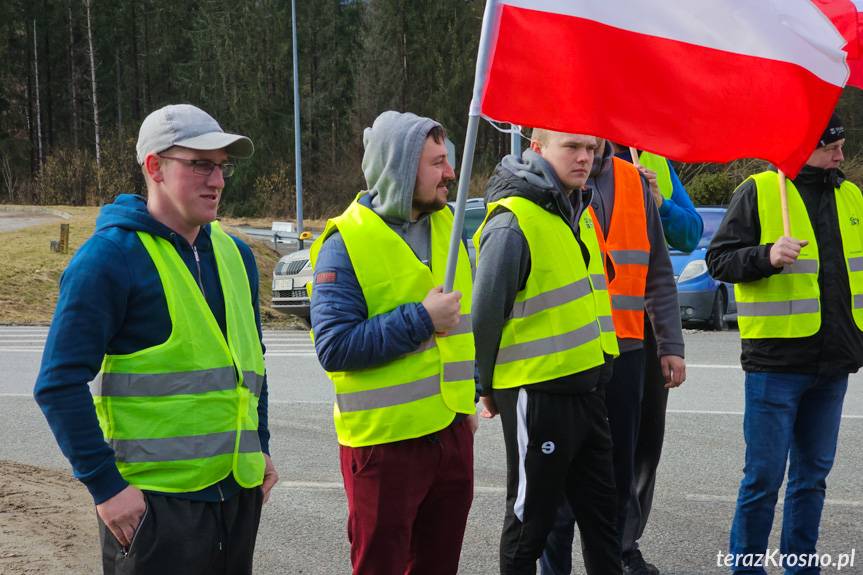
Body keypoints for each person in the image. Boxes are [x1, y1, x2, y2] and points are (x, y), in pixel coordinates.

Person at [33, 103, 279, 575]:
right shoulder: (109, 259)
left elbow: (252, 365)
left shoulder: (235, 256)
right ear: (155, 167)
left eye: (223, 166)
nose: (218, 180)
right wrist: (105, 487)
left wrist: (260, 445)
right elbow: (58, 383)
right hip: (155, 508)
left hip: (236, 498)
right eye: (201, 164)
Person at [309, 110, 477, 575]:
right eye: (437, 163)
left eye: (448, 160)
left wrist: (468, 400)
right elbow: (334, 347)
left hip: (450, 436)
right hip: (383, 448)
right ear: (401, 170)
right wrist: (421, 318)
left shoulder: (449, 225)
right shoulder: (346, 243)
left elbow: (466, 331)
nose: (450, 174)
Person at [706, 114, 858, 575]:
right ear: (801, 148)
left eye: (842, 146)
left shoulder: (850, 195)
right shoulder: (760, 189)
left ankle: (801, 567)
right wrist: (765, 256)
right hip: (776, 363)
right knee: (763, 479)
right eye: (831, 148)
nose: (840, 156)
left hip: (834, 363)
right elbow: (719, 260)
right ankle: (746, 568)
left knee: (811, 479)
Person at [474, 128, 622, 575]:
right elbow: (484, 315)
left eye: (591, 149)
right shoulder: (512, 221)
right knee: (529, 522)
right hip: (538, 395)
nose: (584, 158)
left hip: (588, 388)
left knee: (603, 524)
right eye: (572, 147)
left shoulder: (576, 209)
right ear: (537, 148)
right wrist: (485, 386)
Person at [540, 138, 686, 575]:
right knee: (559, 486)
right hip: (565, 357)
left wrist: (671, 344)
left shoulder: (634, 180)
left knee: (617, 478)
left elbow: (659, 269)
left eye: (593, 140)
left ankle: (616, 559)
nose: (587, 150)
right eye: (576, 142)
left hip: (625, 353)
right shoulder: (540, 186)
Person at [613, 145, 703, 575]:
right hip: (592, 324)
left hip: (645, 328)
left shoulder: (653, 158)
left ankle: (625, 545)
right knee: (585, 447)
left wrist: (661, 203)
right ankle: (562, 546)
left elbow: (690, 232)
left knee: (644, 444)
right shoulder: (577, 150)